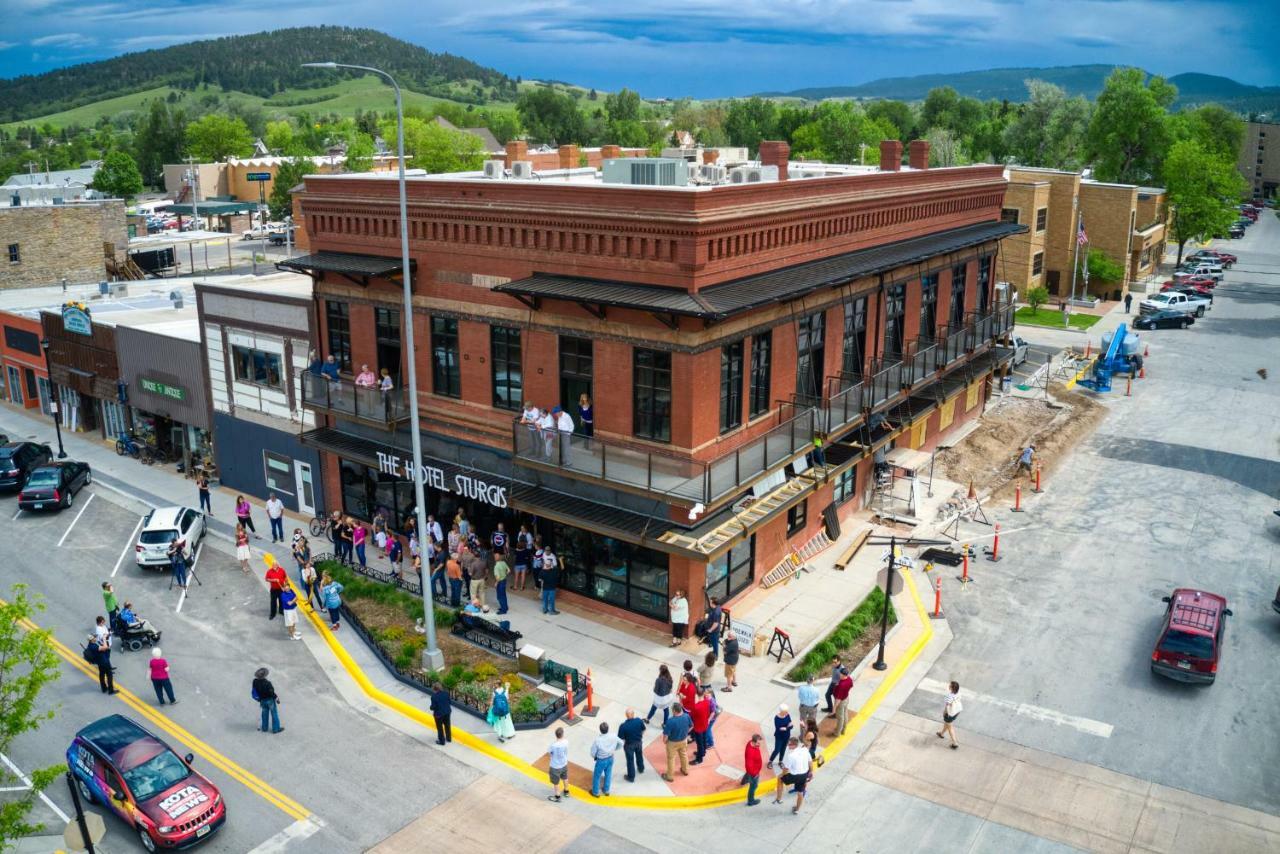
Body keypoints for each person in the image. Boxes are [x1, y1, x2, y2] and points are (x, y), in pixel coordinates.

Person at [774, 737, 811, 814]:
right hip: (804, 775)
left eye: (789, 744)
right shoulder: (805, 750)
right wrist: (811, 772)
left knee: (779, 779)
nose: (788, 746)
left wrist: (782, 775)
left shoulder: (791, 755)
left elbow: (786, 769)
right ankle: (797, 809)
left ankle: (779, 798)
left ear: (794, 745)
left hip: (794, 776)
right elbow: (810, 762)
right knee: (800, 792)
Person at [660, 703, 691, 782]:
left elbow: (666, 735)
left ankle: (669, 776)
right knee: (684, 755)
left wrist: (664, 741)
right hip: (684, 740)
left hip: (672, 743)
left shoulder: (670, 721)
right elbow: (691, 726)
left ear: (674, 711)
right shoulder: (686, 716)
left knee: (671, 759)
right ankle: (685, 770)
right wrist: (685, 733)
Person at [589, 721, 622, 797]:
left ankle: (595, 792)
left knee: (597, 776)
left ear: (600, 730)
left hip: (601, 760)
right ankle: (606, 790)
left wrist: (595, 756)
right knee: (608, 774)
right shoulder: (613, 736)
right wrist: (615, 749)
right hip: (610, 758)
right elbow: (621, 743)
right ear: (608, 729)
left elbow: (592, 752)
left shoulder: (598, 740)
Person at [618, 709, 646, 782]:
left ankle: (631, 777)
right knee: (639, 755)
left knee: (630, 761)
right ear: (633, 714)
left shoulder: (623, 726)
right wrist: (639, 736)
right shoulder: (639, 721)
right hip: (638, 742)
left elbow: (621, 739)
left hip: (629, 745)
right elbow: (643, 730)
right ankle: (641, 768)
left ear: (626, 715)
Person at [253, 667, 283, 733]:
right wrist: (276, 698)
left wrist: (259, 699)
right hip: (270, 701)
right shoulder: (267, 683)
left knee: (264, 714)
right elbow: (271, 692)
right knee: (274, 714)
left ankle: (264, 728)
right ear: (265, 675)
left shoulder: (255, 682)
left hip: (262, 701)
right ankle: (276, 729)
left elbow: (254, 691)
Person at [689, 688, 712, 765]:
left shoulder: (696, 706)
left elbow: (691, 715)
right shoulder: (707, 701)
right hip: (705, 724)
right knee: (704, 739)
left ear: (696, 695)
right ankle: (703, 751)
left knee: (699, 743)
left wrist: (695, 702)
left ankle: (699, 758)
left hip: (698, 727)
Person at [937, 680, 962, 749]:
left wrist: (944, 712)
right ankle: (941, 733)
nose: (948, 685)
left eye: (950, 685)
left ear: (951, 688)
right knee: (947, 724)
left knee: (950, 727)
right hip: (957, 712)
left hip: (950, 714)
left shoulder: (949, 696)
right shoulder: (959, 693)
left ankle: (955, 743)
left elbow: (947, 706)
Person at [547, 727, 570, 802]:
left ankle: (557, 796)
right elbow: (566, 751)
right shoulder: (566, 742)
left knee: (556, 782)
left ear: (556, 735)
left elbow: (549, 754)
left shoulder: (553, 745)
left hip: (555, 766)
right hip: (564, 764)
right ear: (562, 734)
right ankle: (566, 792)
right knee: (565, 777)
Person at [91, 627, 116, 695]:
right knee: (109, 675)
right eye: (94, 637)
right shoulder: (94, 646)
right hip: (104, 661)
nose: (96, 638)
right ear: (92, 640)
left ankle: (104, 688)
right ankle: (111, 690)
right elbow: (105, 647)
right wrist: (104, 639)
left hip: (100, 662)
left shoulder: (91, 645)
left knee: (102, 674)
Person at [832, 666, 855, 737]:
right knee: (845, 714)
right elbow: (851, 686)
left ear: (843, 675)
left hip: (841, 702)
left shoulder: (841, 685)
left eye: (840, 674)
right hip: (846, 699)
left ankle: (837, 732)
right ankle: (844, 729)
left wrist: (834, 708)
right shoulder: (849, 679)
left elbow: (838, 699)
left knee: (840, 718)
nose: (839, 675)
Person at [768, 704, 793, 768]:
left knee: (783, 749)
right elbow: (779, 729)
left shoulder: (787, 715)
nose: (787, 712)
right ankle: (770, 761)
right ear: (781, 711)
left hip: (787, 736)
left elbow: (791, 726)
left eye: (787, 711)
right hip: (779, 737)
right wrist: (788, 727)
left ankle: (780, 761)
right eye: (785, 711)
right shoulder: (777, 718)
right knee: (777, 750)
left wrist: (786, 728)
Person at [744, 733, 765, 806]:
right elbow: (749, 766)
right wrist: (755, 774)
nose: (759, 745)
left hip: (752, 770)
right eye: (758, 743)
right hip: (754, 772)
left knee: (747, 774)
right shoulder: (750, 752)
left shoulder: (751, 743)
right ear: (753, 742)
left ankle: (744, 781)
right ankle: (751, 801)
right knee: (753, 786)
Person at [540, 547, 560, 615]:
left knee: (545, 599)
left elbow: (540, 579)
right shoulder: (554, 572)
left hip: (546, 587)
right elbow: (557, 576)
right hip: (552, 588)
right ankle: (551, 611)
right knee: (551, 600)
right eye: (546, 550)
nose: (546, 551)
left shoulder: (543, 572)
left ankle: (545, 609)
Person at [513, 525, 533, 591]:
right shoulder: (526, 551)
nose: (522, 529)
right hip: (524, 564)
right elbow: (527, 558)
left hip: (517, 565)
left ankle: (515, 587)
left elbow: (514, 557)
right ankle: (522, 587)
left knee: (516, 576)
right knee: (523, 576)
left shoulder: (516, 550)